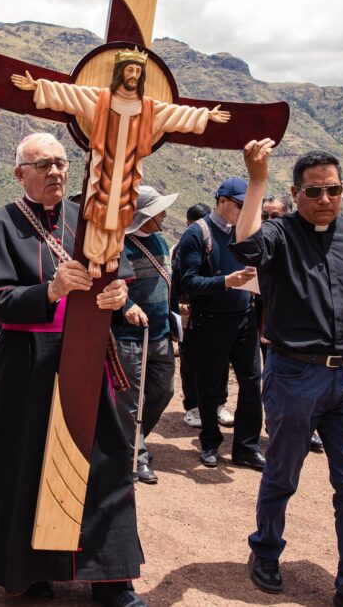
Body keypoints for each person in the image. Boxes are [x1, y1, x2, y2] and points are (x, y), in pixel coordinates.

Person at [0, 131, 145, 607]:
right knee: (28, 465)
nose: (56, 172)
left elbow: (112, 285)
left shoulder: (88, 221)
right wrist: (52, 291)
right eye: (43, 165)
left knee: (103, 462)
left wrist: (119, 300)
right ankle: (30, 569)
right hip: (27, 364)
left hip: (88, 354)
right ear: (20, 175)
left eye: (60, 163)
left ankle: (110, 578)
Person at [232, 147, 343, 607]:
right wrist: (256, 182)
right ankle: (266, 552)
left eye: (335, 189)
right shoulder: (278, 234)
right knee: (282, 472)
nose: (327, 198)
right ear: (295, 193)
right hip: (294, 375)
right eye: (315, 191)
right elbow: (246, 244)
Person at [11, 48, 230, 277]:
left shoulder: (148, 108)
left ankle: (113, 253)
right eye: (129, 69)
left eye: (138, 70)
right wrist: (39, 86)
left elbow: (175, 114)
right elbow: (71, 95)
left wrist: (204, 115)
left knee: (122, 210)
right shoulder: (101, 100)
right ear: (120, 72)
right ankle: (95, 256)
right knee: (100, 209)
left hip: (128, 168)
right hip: (104, 165)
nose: (133, 74)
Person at [176, 178, 264, 470]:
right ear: (222, 200)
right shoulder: (196, 234)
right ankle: (210, 443)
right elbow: (188, 281)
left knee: (252, 383)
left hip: (244, 318)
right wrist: (225, 282)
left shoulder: (246, 233)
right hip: (210, 320)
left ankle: (247, 447)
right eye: (240, 205)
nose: (243, 210)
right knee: (210, 385)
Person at [114, 185, 177, 485]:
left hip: (161, 334)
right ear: (143, 215)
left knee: (163, 391)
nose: (164, 214)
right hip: (129, 336)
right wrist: (126, 305)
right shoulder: (119, 246)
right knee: (130, 399)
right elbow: (109, 287)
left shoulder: (161, 243)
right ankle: (135, 458)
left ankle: (133, 440)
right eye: (158, 211)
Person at [258, 195, 324, 455]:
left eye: (276, 216)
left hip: (303, 328)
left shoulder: (301, 242)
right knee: (272, 377)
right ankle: (275, 426)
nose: (270, 222)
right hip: (267, 324)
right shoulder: (260, 243)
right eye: (265, 216)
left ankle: (308, 428)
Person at [170, 201, 209, 429]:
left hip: (207, 310)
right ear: (188, 224)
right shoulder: (180, 248)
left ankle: (216, 404)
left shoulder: (213, 243)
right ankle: (192, 406)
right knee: (189, 357)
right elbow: (176, 281)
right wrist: (180, 306)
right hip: (186, 310)